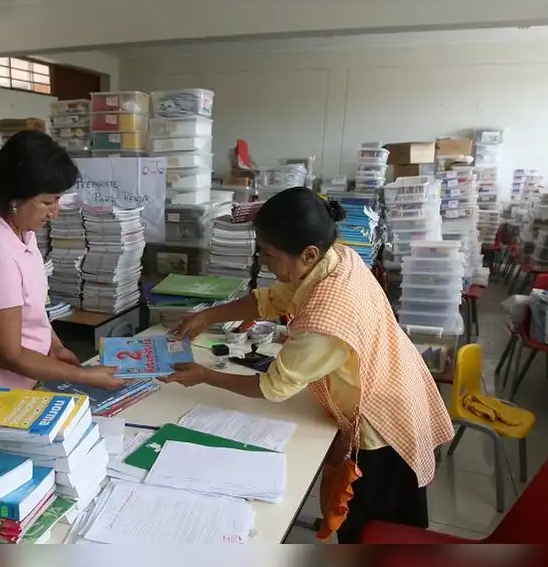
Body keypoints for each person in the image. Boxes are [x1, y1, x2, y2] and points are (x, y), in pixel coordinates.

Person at [167, 187, 454, 544]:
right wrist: (208, 315)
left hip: (385, 423)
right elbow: (272, 299)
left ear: (308, 253)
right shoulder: (335, 260)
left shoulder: (325, 313)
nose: (264, 264)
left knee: (377, 532)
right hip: (395, 381)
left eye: (269, 256)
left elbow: (272, 387)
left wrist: (205, 376)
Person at [0, 131, 127, 391]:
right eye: (48, 202)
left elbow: (31, 309)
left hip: (25, 380)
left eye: (58, 200)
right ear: (16, 200)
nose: (55, 212)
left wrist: (53, 345)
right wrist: (83, 376)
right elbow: (8, 354)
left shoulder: (21, 229)